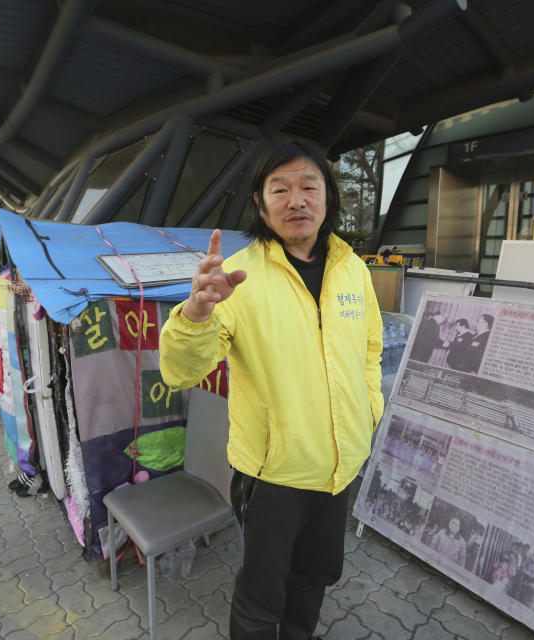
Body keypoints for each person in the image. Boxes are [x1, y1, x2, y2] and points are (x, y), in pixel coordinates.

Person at [159, 139, 383, 640]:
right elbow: (181, 372)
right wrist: (196, 313)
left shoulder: (353, 268)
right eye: (279, 189)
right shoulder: (239, 277)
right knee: (263, 595)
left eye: (309, 186)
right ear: (260, 203)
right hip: (274, 475)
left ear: (329, 198)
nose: (296, 200)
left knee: (315, 577)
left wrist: (369, 410)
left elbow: (370, 351)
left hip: (340, 464)